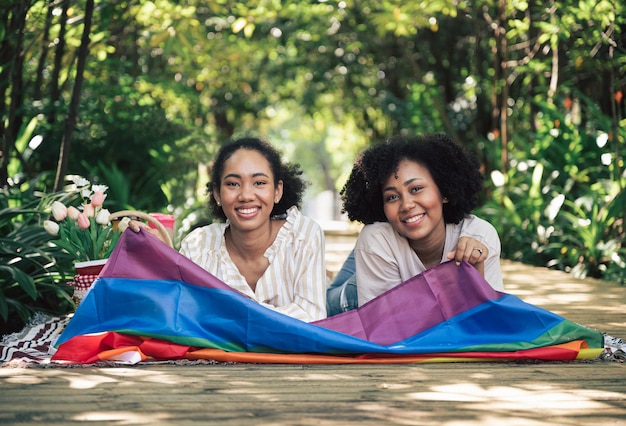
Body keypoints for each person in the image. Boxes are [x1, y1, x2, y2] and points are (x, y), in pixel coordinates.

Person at [131, 136, 327, 322]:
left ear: (277, 191)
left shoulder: (303, 235)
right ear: (217, 193)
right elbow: (182, 314)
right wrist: (160, 260)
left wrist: (233, 314)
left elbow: (312, 317)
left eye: (259, 183)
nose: (246, 195)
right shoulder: (198, 247)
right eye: (233, 184)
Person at [327, 133, 503, 315]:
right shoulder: (376, 239)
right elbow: (386, 329)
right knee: (328, 300)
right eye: (392, 197)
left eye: (416, 189)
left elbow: (490, 322)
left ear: (444, 192)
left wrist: (475, 271)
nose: (406, 205)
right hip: (376, 263)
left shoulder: (480, 237)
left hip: (384, 255)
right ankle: (331, 277)